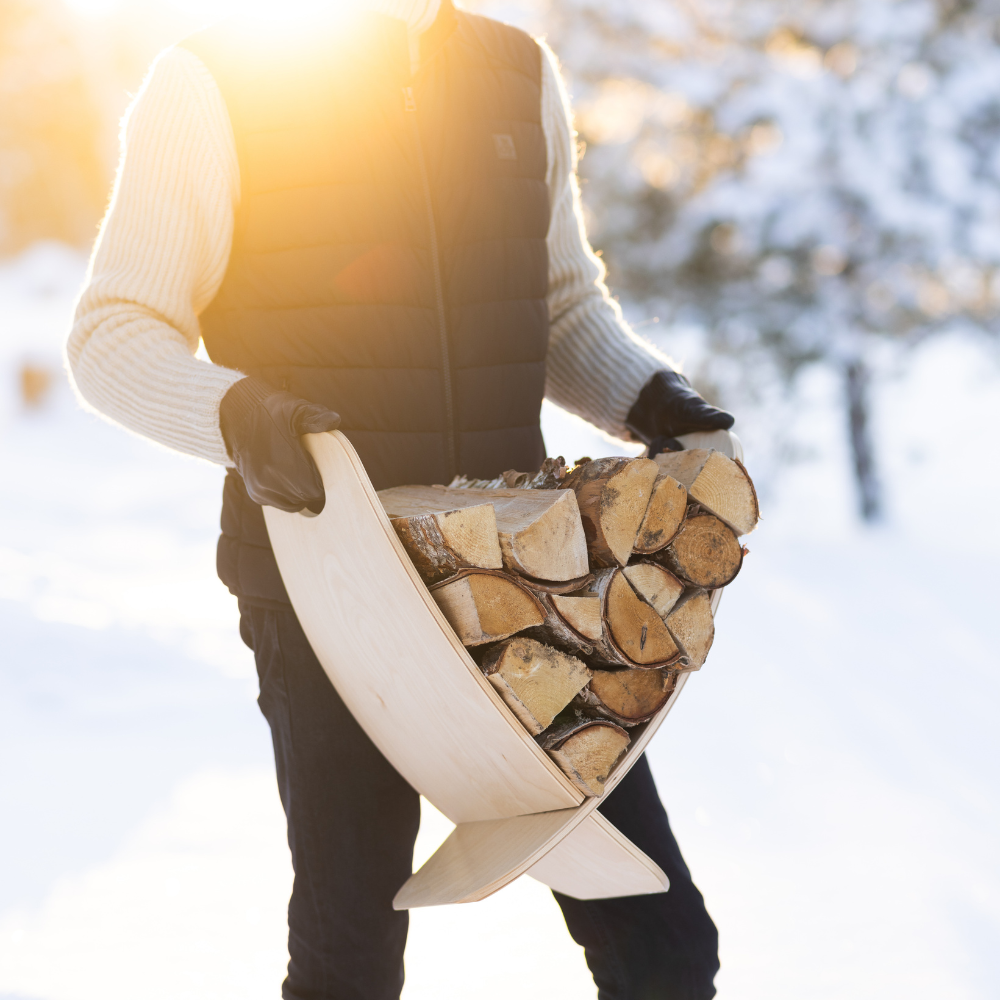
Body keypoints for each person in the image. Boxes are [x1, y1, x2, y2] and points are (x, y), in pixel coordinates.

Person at [67, 2, 731, 997]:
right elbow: (113, 334)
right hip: (331, 582)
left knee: (663, 946)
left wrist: (648, 396)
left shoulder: (514, 69)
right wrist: (247, 418)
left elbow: (555, 306)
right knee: (351, 960)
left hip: (529, 581)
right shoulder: (214, 80)